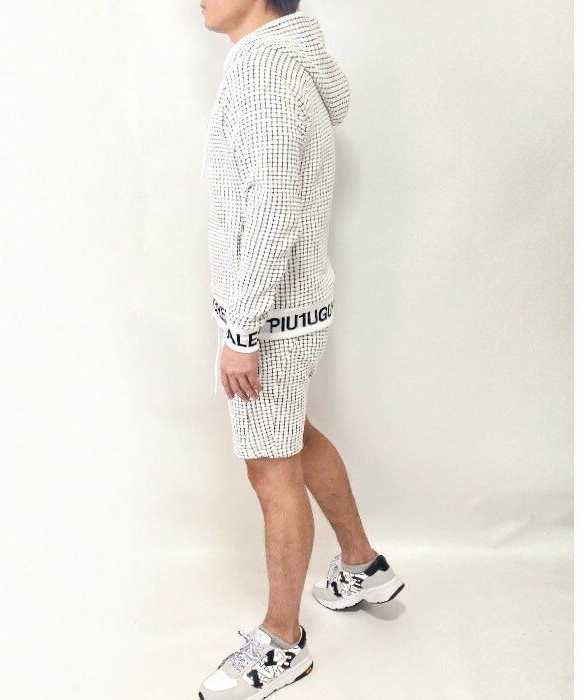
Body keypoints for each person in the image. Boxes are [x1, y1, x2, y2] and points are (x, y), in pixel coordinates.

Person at [198, 1, 404, 697]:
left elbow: (275, 206)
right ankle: (363, 565)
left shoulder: (265, 68)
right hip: (288, 310)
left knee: (270, 468)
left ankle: (283, 641)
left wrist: (241, 330)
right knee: (292, 434)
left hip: (271, 319)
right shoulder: (283, 60)